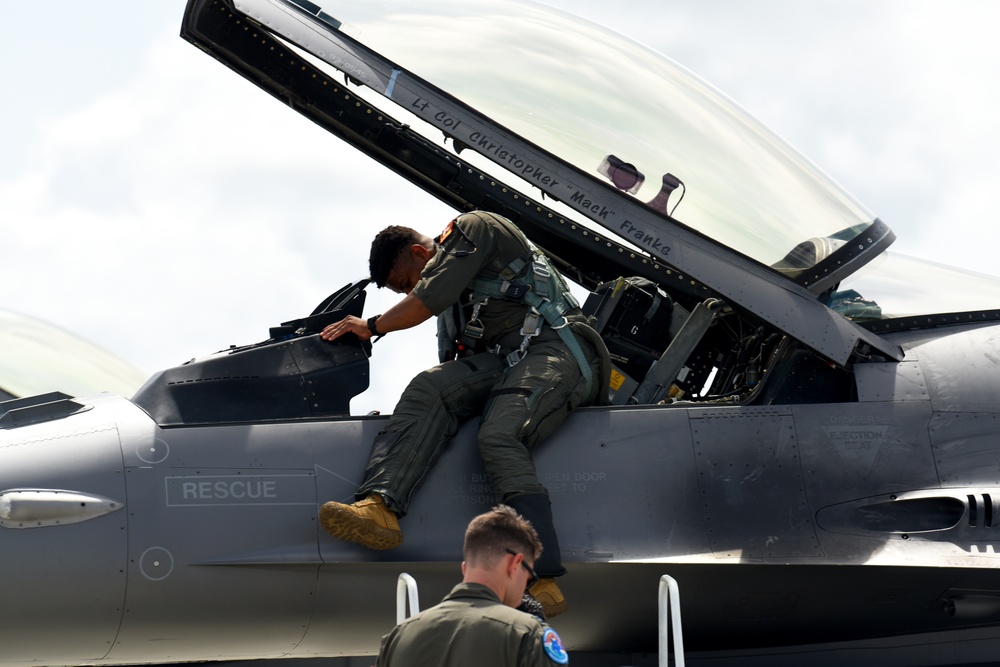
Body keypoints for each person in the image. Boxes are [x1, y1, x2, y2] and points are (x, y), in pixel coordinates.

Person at [317, 210, 610, 618]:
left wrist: (373, 325)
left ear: (421, 253)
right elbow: (453, 360)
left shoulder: (476, 229)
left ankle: (540, 580)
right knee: (430, 387)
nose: (412, 290)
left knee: (500, 434)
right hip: (506, 360)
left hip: (556, 349)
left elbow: (427, 299)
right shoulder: (456, 311)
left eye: (407, 282)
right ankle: (380, 508)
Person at [375, 505, 569, 667]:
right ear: (515, 564)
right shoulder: (527, 635)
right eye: (529, 578)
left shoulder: (398, 638)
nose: (524, 591)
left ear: (465, 567)